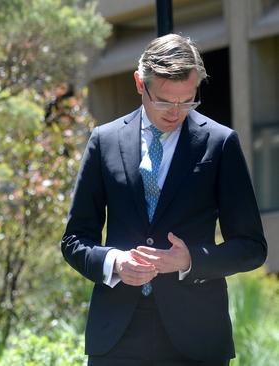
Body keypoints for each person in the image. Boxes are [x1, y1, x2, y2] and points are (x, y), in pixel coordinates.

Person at [61, 34, 267, 365]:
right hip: (117, 337)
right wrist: (115, 262)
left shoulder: (220, 143)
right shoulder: (105, 141)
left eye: (187, 101)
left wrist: (190, 261)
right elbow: (74, 240)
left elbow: (252, 247)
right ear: (139, 84)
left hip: (197, 338)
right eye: (164, 102)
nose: (175, 112)